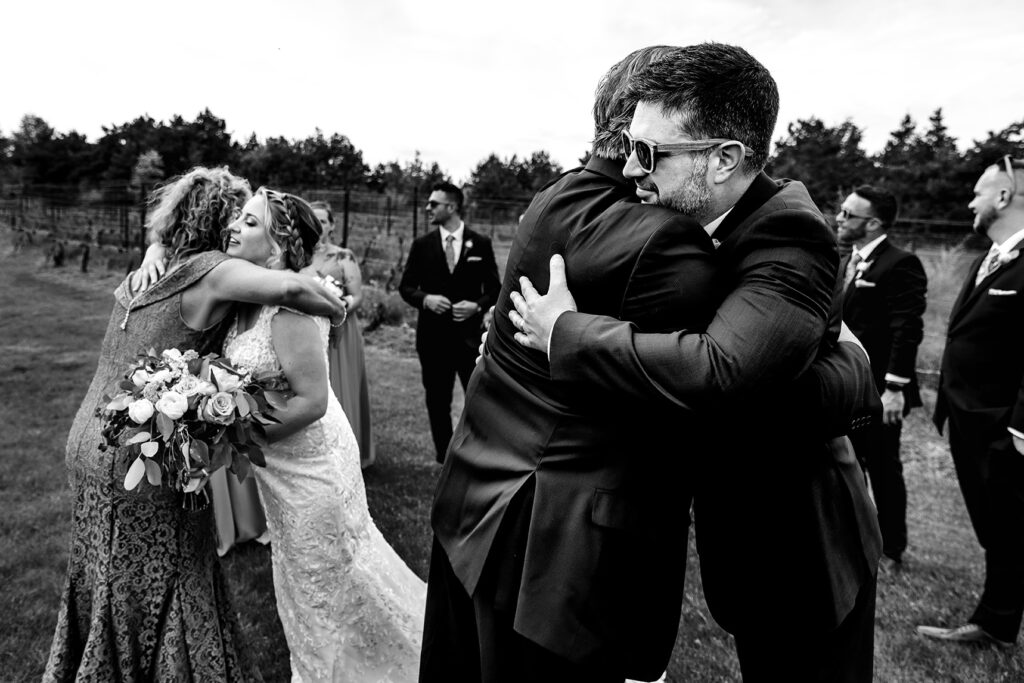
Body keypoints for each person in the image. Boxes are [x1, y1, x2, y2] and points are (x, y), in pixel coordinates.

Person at [425, 45, 878, 683]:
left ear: (724, 159)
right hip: (731, 523)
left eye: (653, 153)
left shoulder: (787, 234)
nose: (632, 170)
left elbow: (726, 373)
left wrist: (565, 336)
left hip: (799, 537)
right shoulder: (675, 219)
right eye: (630, 145)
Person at [45, 167, 346, 682]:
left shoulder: (146, 274)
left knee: (105, 576)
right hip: (144, 453)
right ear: (216, 217)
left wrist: (154, 247)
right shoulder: (211, 271)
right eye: (235, 215)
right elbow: (294, 290)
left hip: (92, 439)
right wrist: (335, 306)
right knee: (173, 578)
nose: (237, 226)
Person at [221, 187, 426, 681]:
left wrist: (235, 436)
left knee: (328, 577)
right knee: (298, 577)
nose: (233, 226)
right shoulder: (248, 296)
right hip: (280, 468)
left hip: (313, 465)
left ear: (278, 243)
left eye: (249, 222)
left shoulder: (292, 308)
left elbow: (310, 403)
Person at [918, 156, 1024, 648]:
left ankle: (995, 622)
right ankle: (998, 621)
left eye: (979, 191)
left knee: (1009, 529)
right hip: (967, 419)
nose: (969, 201)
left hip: (1005, 430)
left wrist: (1018, 430)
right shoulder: (994, 255)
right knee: (997, 529)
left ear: (1004, 197)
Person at [837, 185, 927, 571]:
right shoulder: (845, 262)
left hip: (879, 389)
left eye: (848, 214)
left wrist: (894, 388)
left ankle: (891, 549)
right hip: (845, 386)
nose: (839, 219)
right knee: (845, 463)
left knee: (883, 467)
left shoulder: (901, 263)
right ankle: (848, 539)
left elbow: (907, 329)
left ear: (873, 223)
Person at [398, 182, 500, 463]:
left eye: (434, 203)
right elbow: (406, 288)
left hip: (470, 339)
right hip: (433, 338)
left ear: (452, 207)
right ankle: (444, 454)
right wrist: (426, 299)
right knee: (437, 399)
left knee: (478, 397)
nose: (428, 208)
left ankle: (478, 451)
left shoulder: (480, 243)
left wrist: (477, 306)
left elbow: (495, 289)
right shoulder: (422, 245)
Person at [310, 200, 376, 468]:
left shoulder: (343, 256)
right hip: (309, 329)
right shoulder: (296, 255)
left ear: (332, 225)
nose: (318, 225)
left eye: (323, 221)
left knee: (339, 386)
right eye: (313, 220)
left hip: (339, 329)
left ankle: (346, 454)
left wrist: (334, 306)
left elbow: (357, 297)